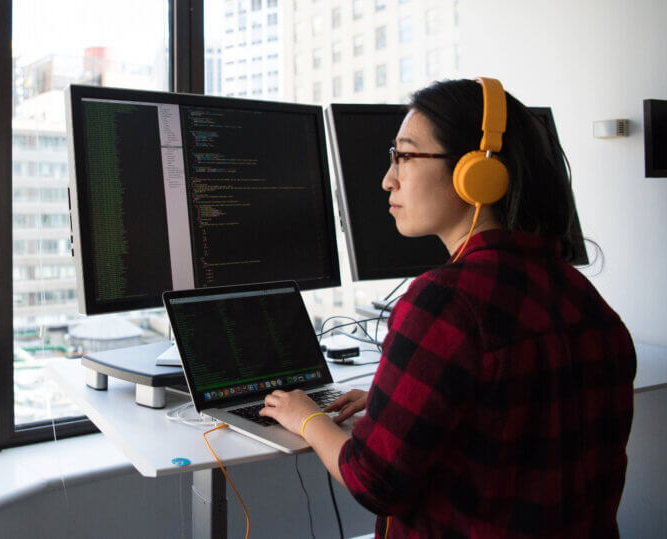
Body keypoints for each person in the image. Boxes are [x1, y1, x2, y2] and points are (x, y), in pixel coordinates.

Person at [258, 78, 636, 537]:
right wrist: (388, 402)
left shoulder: (445, 302)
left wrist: (308, 417)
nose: (387, 178)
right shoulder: (585, 297)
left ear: (476, 173)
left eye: (405, 155)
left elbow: (374, 481)